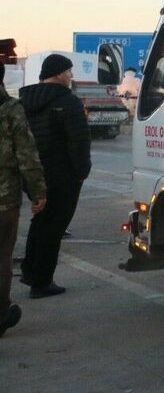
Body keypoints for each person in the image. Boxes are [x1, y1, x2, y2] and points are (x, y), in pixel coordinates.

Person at [18, 54, 90, 298]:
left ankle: (30, 271)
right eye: (68, 71)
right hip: (63, 176)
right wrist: (82, 171)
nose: (71, 76)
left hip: (33, 175)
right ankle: (41, 281)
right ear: (59, 73)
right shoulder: (68, 102)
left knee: (40, 222)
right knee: (54, 227)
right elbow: (78, 141)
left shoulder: (24, 101)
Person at [0, 62, 47, 335]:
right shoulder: (10, 110)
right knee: (2, 256)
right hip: (4, 200)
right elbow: (27, 155)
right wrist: (38, 191)